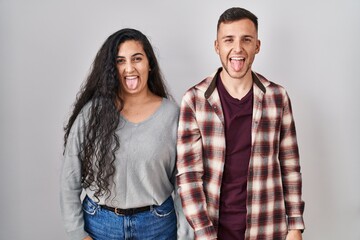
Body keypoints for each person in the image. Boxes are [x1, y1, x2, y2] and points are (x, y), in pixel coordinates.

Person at [176, 7, 305, 240]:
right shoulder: (194, 100)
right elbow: (188, 176)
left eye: (246, 39)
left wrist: (294, 225)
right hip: (213, 229)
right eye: (229, 40)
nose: (238, 48)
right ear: (217, 46)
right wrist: (204, 233)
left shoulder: (277, 97)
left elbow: (290, 166)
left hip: (267, 226)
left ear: (257, 45)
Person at [60, 28, 187, 240]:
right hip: (99, 226)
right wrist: (77, 234)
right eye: (120, 61)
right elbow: (69, 178)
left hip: (158, 226)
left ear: (149, 63)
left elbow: (184, 186)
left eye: (137, 58)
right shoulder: (92, 113)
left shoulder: (173, 115)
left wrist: (185, 236)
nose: (129, 68)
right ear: (111, 67)